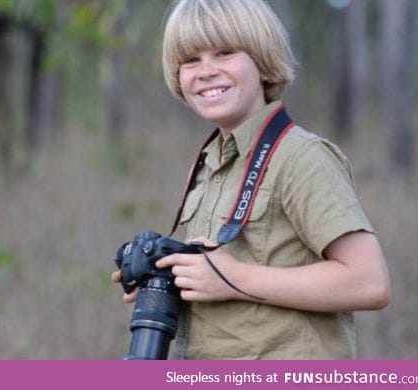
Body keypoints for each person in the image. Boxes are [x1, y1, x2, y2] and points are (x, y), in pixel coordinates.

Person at [112, 0, 390, 359]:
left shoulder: (302, 157)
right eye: (190, 60)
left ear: (262, 60)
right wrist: (167, 278)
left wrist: (232, 278)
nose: (206, 71)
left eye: (224, 53)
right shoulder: (212, 161)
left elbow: (368, 283)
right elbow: (223, 279)